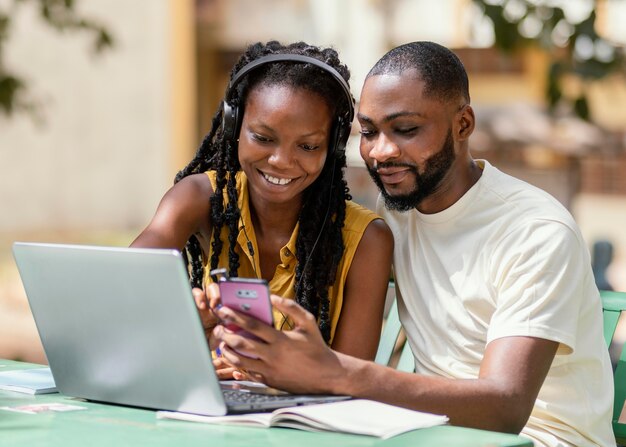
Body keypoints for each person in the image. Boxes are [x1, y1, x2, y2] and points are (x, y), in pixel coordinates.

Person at [211, 41, 615, 447]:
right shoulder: (394, 217)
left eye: (406, 130)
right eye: (369, 132)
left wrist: (335, 371)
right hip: (431, 435)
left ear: (463, 124)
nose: (381, 152)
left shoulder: (535, 230)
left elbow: (504, 407)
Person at [131, 41, 393, 378]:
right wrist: (186, 330)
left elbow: (353, 381)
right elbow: (125, 289)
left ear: (334, 145)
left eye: (308, 145)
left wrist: (275, 369)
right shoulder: (200, 197)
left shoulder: (367, 241)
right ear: (234, 126)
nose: (281, 161)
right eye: (263, 137)